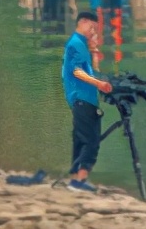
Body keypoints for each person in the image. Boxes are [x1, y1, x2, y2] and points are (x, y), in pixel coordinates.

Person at [62, 10, 113, 192]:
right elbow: (77, 71)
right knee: (90, 141)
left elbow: (89, 70)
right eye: (92, 27)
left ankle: (75, 179)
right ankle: (80, 181)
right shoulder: (76, 44)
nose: (93, 32)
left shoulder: (82, 45)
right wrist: (99, 83)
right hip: (82, 99)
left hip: (85, 99)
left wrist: (94, 53)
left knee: (81, 139)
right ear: (82, 22)